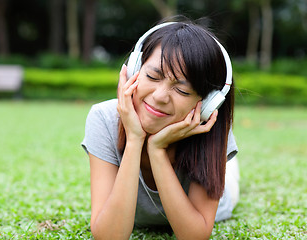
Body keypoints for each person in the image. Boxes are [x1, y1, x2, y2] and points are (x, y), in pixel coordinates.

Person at [82, 18, 239, 240]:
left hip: (222, 199)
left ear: (207, 103)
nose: (159, 97)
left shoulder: (207, 127)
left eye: (183, 91)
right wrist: (136, 139)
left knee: (230, 179)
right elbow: (109, 236)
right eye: (153, 76)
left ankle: (229, 167)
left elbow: (194, 236)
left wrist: (156, 150)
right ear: (135, 68)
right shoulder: (104, 118)